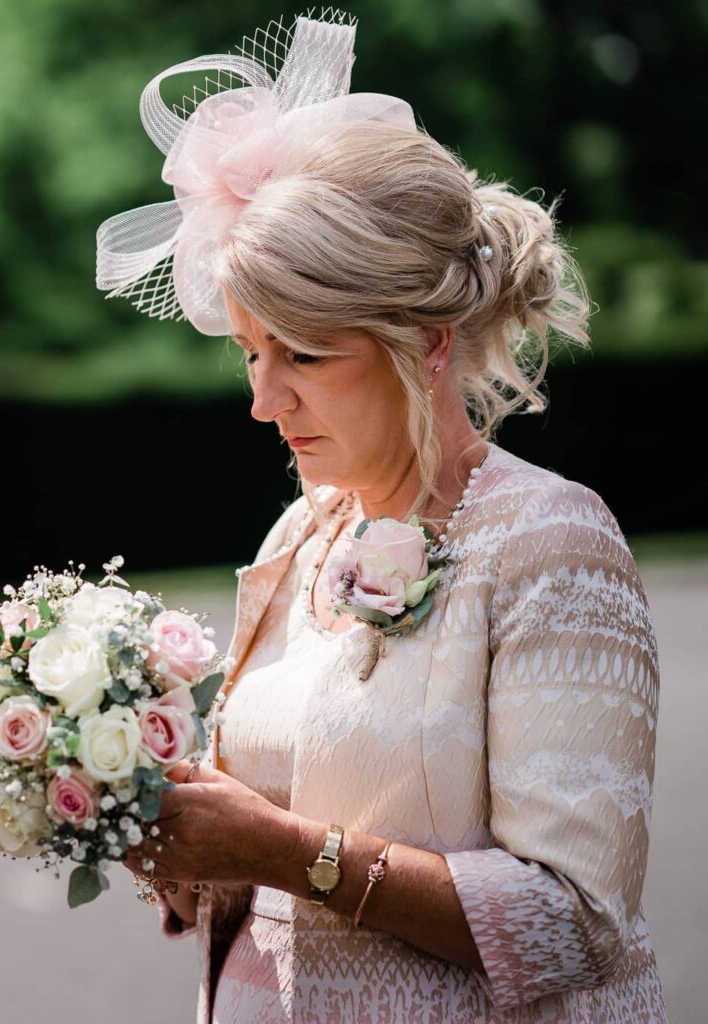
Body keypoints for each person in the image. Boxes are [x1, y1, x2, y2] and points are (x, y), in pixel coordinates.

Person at [97, 13, 665, 1022]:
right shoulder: (300, 533)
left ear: (429, 342)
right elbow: (286, 809)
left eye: (304, 355)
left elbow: (576, 920)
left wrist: (277, 850)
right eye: (249, 351)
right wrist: (200, 856)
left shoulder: (550, 543)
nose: (264, 400)